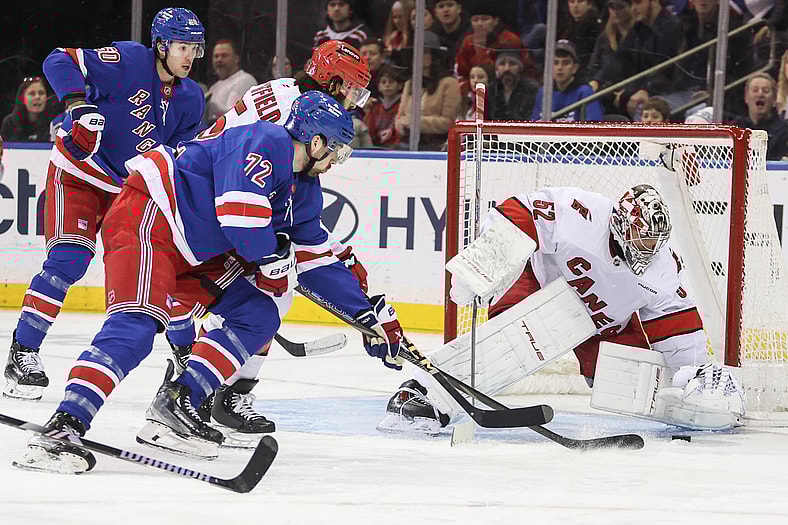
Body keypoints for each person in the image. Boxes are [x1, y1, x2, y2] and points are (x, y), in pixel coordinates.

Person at [13, 91, 381, 473]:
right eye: (336, 148)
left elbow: (317, 260)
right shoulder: (266, 140)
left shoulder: (303, 191)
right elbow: (240, 218)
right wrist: (271, 257)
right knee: (137, 326)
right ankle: (63, 427)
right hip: (151, 214)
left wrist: (368, 317)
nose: (336, 160)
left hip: (195, 249)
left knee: (258, 315)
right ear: (316, 141)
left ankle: (177, 402)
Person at [380, 184, 744, 433]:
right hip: (541, 286)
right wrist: (486, 263)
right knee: (513, 342)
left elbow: (678, 328)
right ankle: (425, 395)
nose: (646, 248)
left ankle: (701, 403)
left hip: (604, 324)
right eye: (641, 237)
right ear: (620, 222)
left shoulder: (663, 269)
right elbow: (517, 212)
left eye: (653, 241)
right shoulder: (580, 213)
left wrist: (693, 379)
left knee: (626, 383)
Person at [157, 40, 374, 446]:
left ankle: (202, 381)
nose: (355, 102)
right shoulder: (295, 107)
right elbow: (251, 168)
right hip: (214, 204)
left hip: (221, 199)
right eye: (353, 90)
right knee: (266, 296)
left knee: (266, 296)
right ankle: (203, 388)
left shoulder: (297, 98)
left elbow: (290, 197)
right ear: (334, 81)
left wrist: (329, 252)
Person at [2, 7, 206, 402]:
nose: (189, 57)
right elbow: (58, 59)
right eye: (182, 47)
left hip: (127, 191)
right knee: (68, 260)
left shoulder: (191, 99)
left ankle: (186, 355)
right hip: (78, 172)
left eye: (194, 49)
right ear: (161, 46)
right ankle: (23, 351)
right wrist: (78, 104)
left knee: (166, 272)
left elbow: (178, 157)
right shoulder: (128, 59)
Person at [395, 30, 461, 150]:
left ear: (434, 56)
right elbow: (400, 117)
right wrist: (402, 124)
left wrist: (416, 123)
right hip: (408, 143)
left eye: (424, 52)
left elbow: (449, 122)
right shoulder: (410, 84)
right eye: (415, 53)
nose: (418, 56)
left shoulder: (449, 83)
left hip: (436, 145)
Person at [531, 39, 604, 121]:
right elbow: (535, 126)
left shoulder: (585, 93)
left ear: (574, 68)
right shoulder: (544, 93)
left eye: (565, 63)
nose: (560, 67)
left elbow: (593, 125)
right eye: (555, 63)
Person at [734, 73, 788, 160]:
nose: (760, 94)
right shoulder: (735, 128)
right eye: (755, 90)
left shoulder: (785, 131)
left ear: (774, 99)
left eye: (765, 91)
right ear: (746, 97)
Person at [205, 39, 257, 124]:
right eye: (216, 56)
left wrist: (208, 101)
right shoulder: (214, 87)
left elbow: (233, 114)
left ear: (236, 59)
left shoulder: (244, 80)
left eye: (224, 56)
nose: (219, 59)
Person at [487, 43, 541, 121]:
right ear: (497, 68)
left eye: (512, 64)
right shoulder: (490, 91)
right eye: (502, 64)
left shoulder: (533, 90)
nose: (507, 69)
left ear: (519, 67)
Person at [0, 77, 61, 142]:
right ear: (22, 99)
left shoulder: (54, 121)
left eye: (41, 93)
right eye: (32, 94)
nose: (37, 97)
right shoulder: (9, 122)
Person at [365, 64, 402, 147]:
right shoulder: (375, 106)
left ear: (400, 85)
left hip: (397, 148)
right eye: (383, 82)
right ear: (378, 86)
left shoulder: (402, 105)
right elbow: (369, 131)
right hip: (376, 147)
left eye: (391, 82)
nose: (387, 85)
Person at [432, 0, 471, 68]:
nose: (446, 10)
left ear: (459, 9)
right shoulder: (433, 35)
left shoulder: (470, 33)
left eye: (450, 5)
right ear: (435, 13)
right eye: (441, 6)